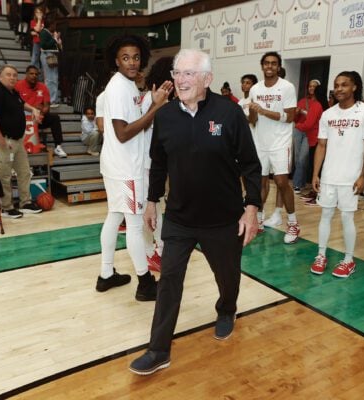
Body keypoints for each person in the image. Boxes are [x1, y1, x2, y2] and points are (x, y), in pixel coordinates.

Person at [129, 48, 261, 375]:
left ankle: (226, 309)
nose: (181, 80)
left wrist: (251, 208)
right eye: (177, 73)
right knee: (169, 280)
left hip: (223, 219)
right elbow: (159, 163)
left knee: (227, 277)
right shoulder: (165, 116)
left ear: (207, 78)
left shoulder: (229, 114)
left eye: (189, 73)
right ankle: (158, 349)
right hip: (179, 218)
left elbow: (250, 164)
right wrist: (151, 200)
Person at [95, 35, 172, 301]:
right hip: (126, 168)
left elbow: (137, 119)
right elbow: (123, 132)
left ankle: (106, 274)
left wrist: (150, 101)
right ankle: (145, 283)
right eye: (125, 57)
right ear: (116, 60)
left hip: (116, 166)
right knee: (135, 226)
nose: (132, 62)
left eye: (136, 57)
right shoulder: (118, 88)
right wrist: (156, 107)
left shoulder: (127, 86)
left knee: (114, 216)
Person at [309, 71, 364, 278]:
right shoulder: (328, 114)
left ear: (354, 87)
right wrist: (315, 174)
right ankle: (321, 255)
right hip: (329, 176)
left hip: (351, 177)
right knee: (326, 215)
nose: (339, 89)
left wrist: (363, 175)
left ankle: (348, 260)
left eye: (344, 84)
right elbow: (321, 145)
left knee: (347, 217)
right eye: (336, 85)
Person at [248, 51, 299, 243]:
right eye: (267, 63)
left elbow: (290, 117)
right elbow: (253, 120)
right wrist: (253, 112)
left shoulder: (287, 87)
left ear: (278, 67)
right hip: (260, 142)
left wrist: (263, 110)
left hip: (280, 143)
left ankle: (293, 223)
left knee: (281, 182)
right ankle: (259, 220)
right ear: (262, 66)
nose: (270, 66)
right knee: (260, 183)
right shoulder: (255, 89)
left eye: (274, 63)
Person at [0, 65, 43, 218]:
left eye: (14, 75)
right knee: (4, 175)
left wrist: (34, 109)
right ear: (1, 77)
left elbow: (22, 104)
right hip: (4, 140)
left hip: (17, 141)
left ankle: (25, 203)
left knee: (24, 172)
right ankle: (6, 207)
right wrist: (1, 140)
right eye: (8, 74)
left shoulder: (14, 93)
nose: (12, 77)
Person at [140, 56, 175, 272]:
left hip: (158, 164)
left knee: (157, 207)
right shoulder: (151, 99)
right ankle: (150, 252)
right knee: (151, 209)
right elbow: (143, 128)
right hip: (147, 163)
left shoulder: (168, 99)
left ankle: (157, 250)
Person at [15, 65, 67, 157]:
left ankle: (58, 146)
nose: (34, 76)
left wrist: (41, 112)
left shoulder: (43, 87)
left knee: (55, 118)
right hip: (23, 118)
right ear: (26, 74)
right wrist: (33, 108)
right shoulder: (18, 85)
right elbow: (15, 104)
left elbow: (47, 106)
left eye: (36, 74)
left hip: (38, 118)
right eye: (31, 73)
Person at [292, 79, 324, 194]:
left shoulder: (319, 103)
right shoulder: (302, 101)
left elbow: (310, 123)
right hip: (299, 131)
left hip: (310, 133)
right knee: (297, 158)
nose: (311, 88)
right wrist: (296, 113)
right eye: (310, 86)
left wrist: (298, 125)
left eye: (314, 86)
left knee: (302, 158)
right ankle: (301, 182)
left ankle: (297, 184)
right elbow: (294, 118)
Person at [40, 16, 62, 107]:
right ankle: (50, 100)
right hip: (48, 55)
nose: (55, 27)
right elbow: (44, 45)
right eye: (54, 25)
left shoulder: (49, 33)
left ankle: (53, 99)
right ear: (50, 25)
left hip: (51, 55)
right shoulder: (44, 33)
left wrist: (56, 39)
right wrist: (55, 39)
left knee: (53, 78)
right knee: (50, 78)